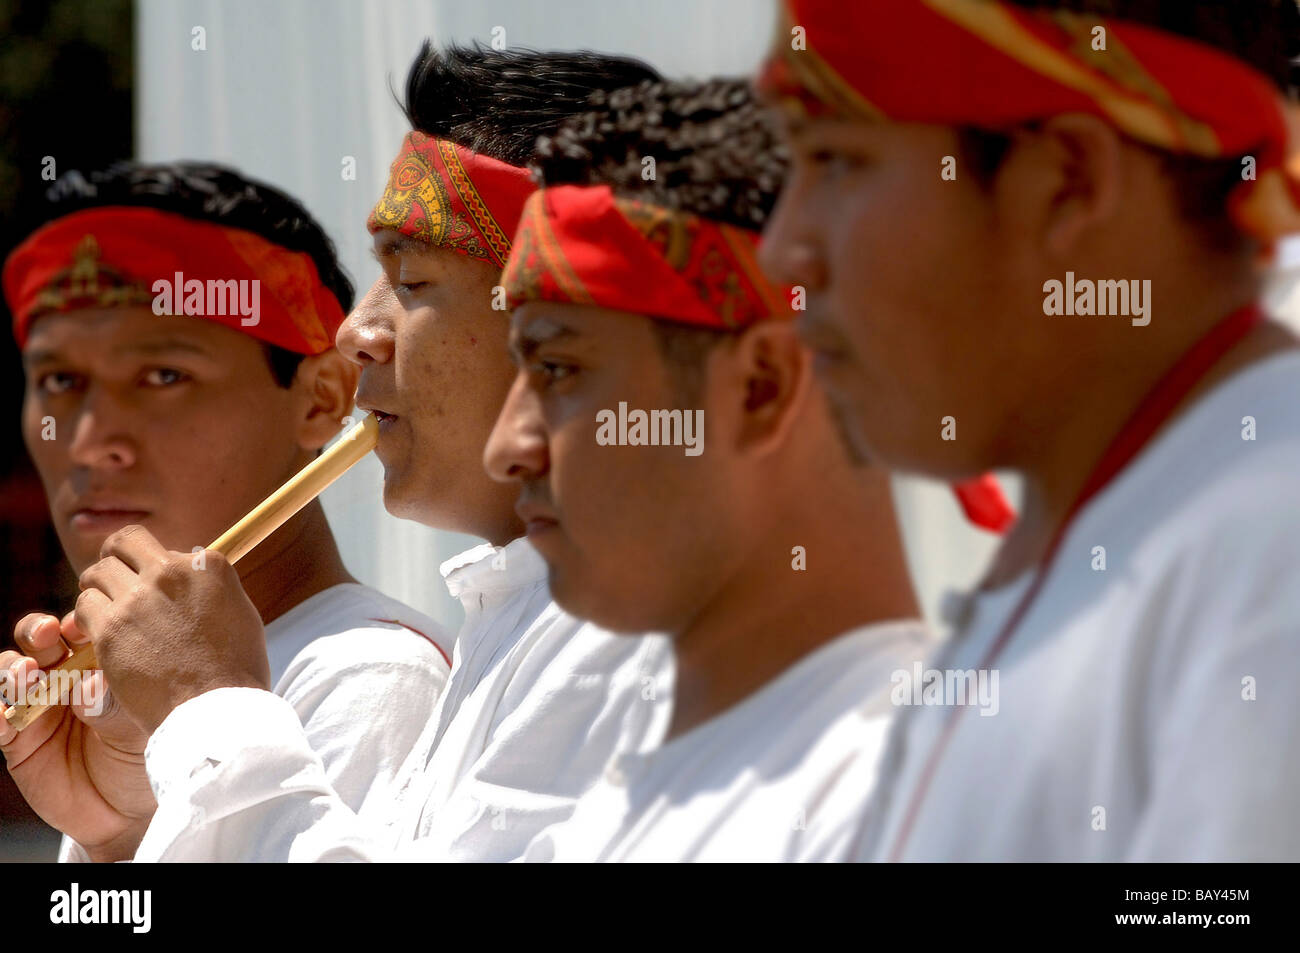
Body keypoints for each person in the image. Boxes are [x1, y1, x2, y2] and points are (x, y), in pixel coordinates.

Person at [7, 44, 671, 863]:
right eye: (60, 383)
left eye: (415, 279)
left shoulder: (632, 637)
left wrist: (207, 706)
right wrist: (125, 835)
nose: (360, 331)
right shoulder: (520, 627)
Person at [758, 0, 1300, 860]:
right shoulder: (1130, 527)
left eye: (836, 160)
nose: (782, 251)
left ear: (1068, 180)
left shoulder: (1264, 555)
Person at [480, 76, 941, 861]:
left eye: (558, 369)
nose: (507, 447)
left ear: (761, 387)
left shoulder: (908, 795)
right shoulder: (625, 800)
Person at [0, 162, 450, 861]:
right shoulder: (120, 710)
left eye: (163, 375)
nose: (89, 440)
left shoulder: (369, 676)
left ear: (321, 398)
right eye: (60, 381)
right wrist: (117, 840)